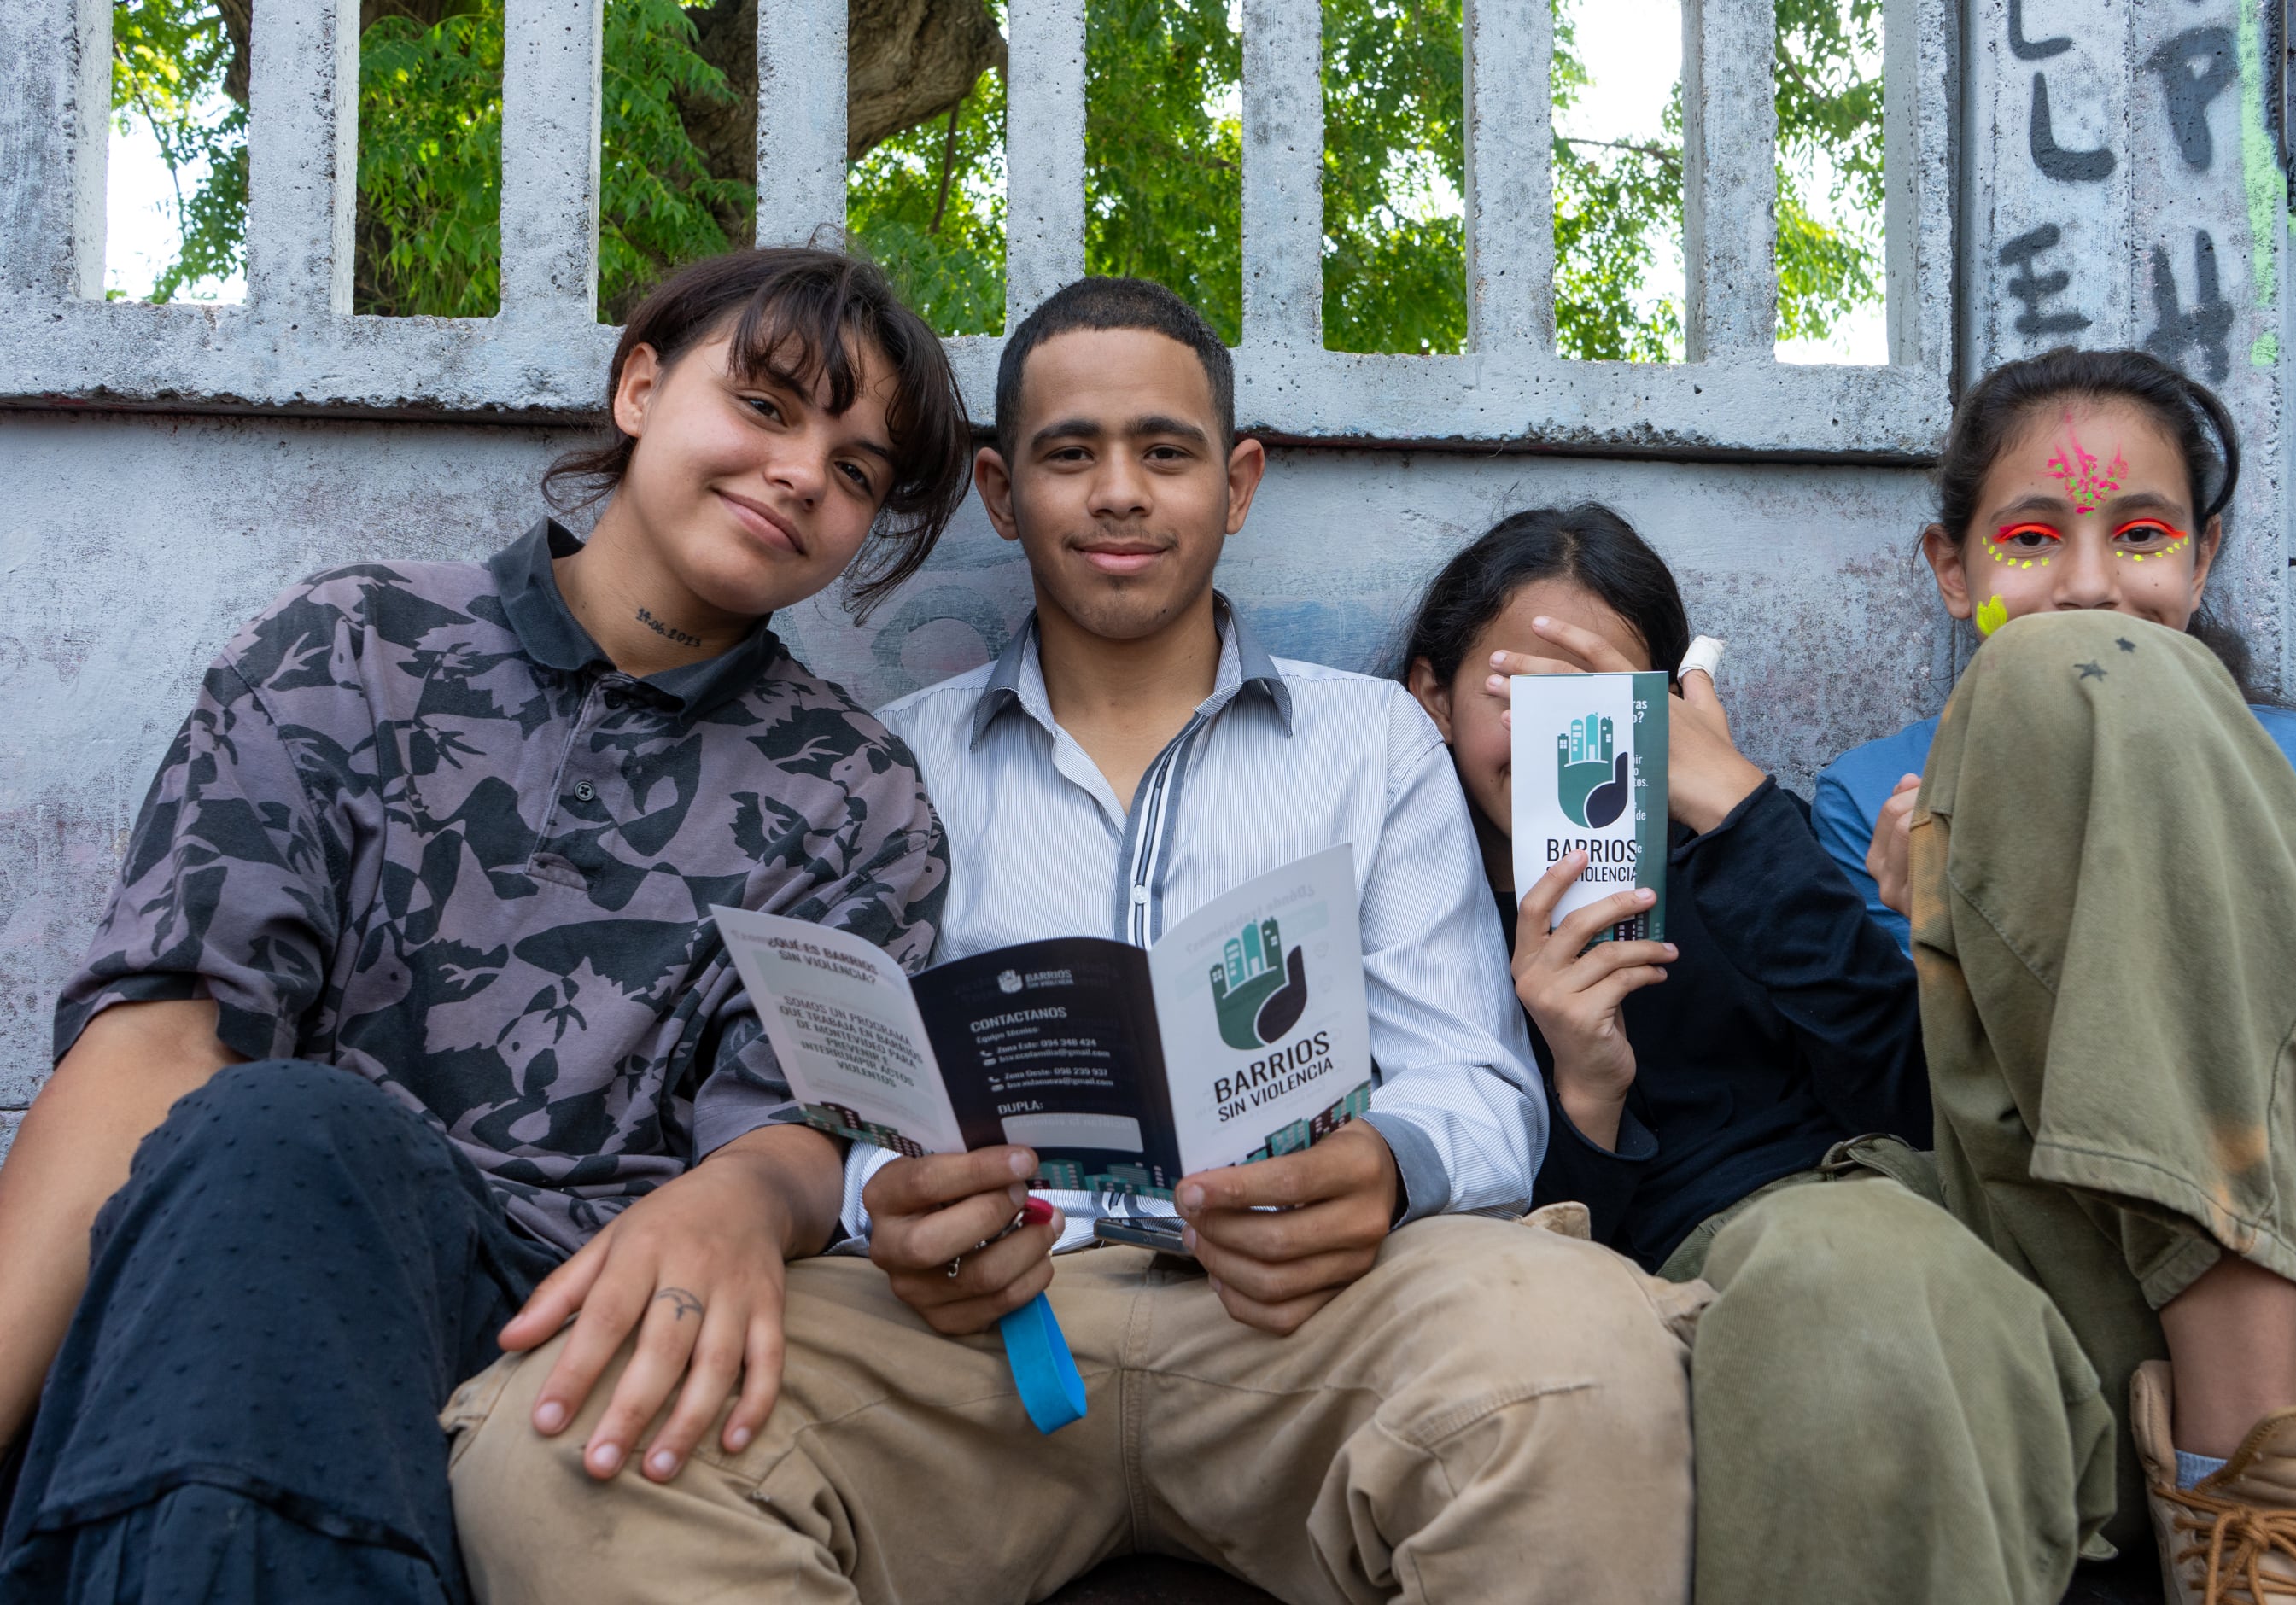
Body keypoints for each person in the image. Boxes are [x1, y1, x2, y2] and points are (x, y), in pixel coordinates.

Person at [444, 277, 1702, 1604]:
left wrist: (1385, 1168)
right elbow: (820, 1098)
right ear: (999, 492)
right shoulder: (888, 761)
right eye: (1068, 454)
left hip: (1316, 1312)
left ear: (1239, 482)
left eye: (1164, 451)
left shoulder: (1373, 740)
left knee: (1581, 1359)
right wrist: (894, 1204)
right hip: (970, 1337)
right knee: (575, 1449)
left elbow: (1478, 1082)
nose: (1117, 492)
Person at [0, 246, 969, 1602]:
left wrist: (752, 1192)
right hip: (258, 1257)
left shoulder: (856, 794)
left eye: (858, 470)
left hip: (564, 1331)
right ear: (640, 387)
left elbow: (798, 1141)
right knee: (279, 1132)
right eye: (765, 406)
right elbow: (160, 1043)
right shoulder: (356, 646)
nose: (806, 472)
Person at [1402, 504, 2122, 1605]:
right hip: (1658, 1271)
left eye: (1603, 706)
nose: (1563, 744)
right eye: (1518, 698)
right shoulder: (1409, 906)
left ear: (1672, 708)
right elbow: (1500, 1247)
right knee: (1835, 1284)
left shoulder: (1736, 842)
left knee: (1858, 1274)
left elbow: (1907, 1096)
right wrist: (1586, 1094)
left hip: (1867, 1214)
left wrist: (1736, 808)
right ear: (1430, 697)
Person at [1814, 347, 2296, 1602]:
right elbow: (1941, 1124)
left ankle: (2242, 1460)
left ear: (2201, 557)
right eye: (2032, 539)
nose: (2089, 585)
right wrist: (1929, 934)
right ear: (1951, 567)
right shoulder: (1872, 798)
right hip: (2079, 1269)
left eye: (2139, 535)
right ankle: (2252, 1493)